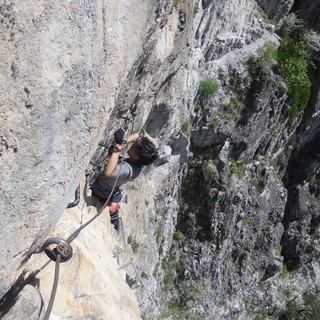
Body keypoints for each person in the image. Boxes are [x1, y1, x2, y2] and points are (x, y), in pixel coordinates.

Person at [91, 128, 158, 230]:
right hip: (111, 190)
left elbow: (109, 172)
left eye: (133, 146)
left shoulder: (129, 170)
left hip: (101, 191)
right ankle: (114, 210)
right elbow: (136, 136)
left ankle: (114, 217)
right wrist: (123, 141)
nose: (131, 145)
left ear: (136, 156)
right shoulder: (138, 160)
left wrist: (117, 148)